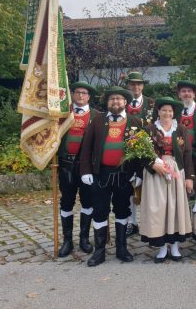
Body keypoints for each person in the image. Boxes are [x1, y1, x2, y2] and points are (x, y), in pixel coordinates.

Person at [79, 86, 143, 267]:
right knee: (100, 211)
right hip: (101, 174)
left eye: (119, 99)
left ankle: (122, 248)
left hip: (124, 175)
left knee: (122, 210)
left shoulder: (135, 121)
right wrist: (85, 171)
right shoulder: (97, 121)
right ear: (107, 103)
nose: (116, 102)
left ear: (125, 102)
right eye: (112, 99)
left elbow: (141, 152)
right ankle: (100, 251)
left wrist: (138, 174)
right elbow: (86, 148)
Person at [139, 97, 194, 263]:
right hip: (156, 172)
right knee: (159, 209)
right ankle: (162, 248)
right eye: (164, 110)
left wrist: (189, 178)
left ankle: (175, 247)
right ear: (158, 111)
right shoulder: (149, 129)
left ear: (174, 113)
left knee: (175, 208)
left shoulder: (181, 129)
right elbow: (141, 153)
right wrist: (153, 165)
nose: (167, 113)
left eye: (170, 111)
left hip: (177, 171)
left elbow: (188, 154)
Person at [57, 81, 99, 257]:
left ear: (89, 97)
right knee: (67, 201)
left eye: (84, 93)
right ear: (73, 94)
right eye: (78, 93)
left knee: (88, 201)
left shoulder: (97, 116)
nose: (80, 96)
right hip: (66, 164)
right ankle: (67, 241)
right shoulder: (62, 113)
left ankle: (84, 238)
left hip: (85, 166)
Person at [125, 71, 155, 237]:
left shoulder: (151, 104)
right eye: (132, 84)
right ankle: (132, 222)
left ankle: (148, 222)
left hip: (147, 152)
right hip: (127, 153)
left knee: (148, 188)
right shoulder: (122, 102)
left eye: (139, 84)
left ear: (143, 86)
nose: (135, 87)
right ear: (128, 85)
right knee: (129, 188)